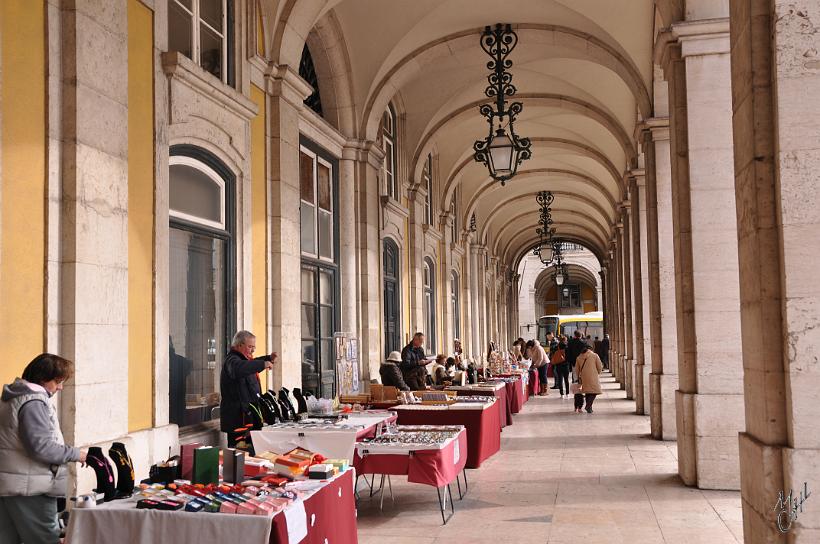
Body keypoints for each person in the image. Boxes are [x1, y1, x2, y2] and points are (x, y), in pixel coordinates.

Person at [0, 353, 88, 544]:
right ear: (42, 378)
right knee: (45, 540)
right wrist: (76, 454)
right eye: (57, 381)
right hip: (31, 489)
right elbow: (41, 447)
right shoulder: (33, 402)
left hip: (11, 485)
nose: (60, 387)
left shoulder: (14, 397)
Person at [220, 330, 277, 446]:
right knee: (240, 451)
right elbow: (241, 368)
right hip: (238, 420)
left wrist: (268, 358)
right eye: (250, 347)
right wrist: (262, 364)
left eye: (254, 347)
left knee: (252, 450)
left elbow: (251, 364)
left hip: (249, 417)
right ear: (239, 345)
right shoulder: (231, 360)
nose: (253, 350)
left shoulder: (244, 360)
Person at [575, 343, 603, 413]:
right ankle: (588, 405)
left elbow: (577, 369)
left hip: (583, 376)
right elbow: (600, 366)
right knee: (594, 391)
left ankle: (589, 408)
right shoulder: (595, 355)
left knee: (588, 391)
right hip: (593, 375)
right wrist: (598, 373)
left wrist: (578, 377)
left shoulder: (579, 357)